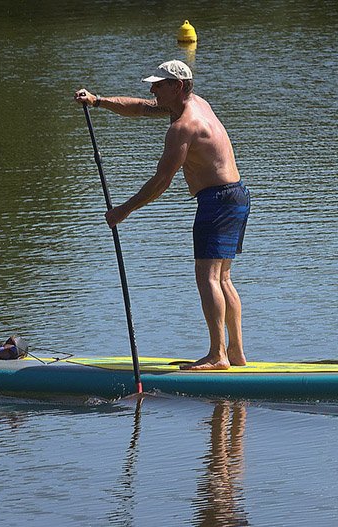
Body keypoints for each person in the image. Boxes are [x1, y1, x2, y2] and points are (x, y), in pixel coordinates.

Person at [74, 60, 250, 371]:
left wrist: (122, 211)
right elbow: (140, 108)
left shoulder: (183, 128)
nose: (153, 89)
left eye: (159, 84)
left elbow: (161, 181)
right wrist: (98, 101)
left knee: (208, 277)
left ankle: (217, 356)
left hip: (218, 200)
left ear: (178, 86)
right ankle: (234, 353)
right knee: (222, 278)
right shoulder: (194, 103)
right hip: (236, 195)